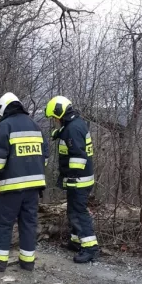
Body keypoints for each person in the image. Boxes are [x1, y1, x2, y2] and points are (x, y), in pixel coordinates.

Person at [0, 92, 48, 272]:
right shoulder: (35, 125)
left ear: (3, 109)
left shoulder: (6, 126)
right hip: (34, 187)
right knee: (29, 223)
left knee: (4, 223)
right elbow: (45, 156)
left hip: (11, 186)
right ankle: (27, 261)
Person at [45, 95, 100, 262]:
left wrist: (72, 178)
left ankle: (90, 248)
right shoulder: (74, 124)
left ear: (60, 113)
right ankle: (76, 241)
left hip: (78, 180)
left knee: (79, 212)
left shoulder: (72, 129)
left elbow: (78, 155)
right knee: (72, 211)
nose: (54, 120)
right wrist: (59, 133)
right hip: (80, 178)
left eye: (54, 117)